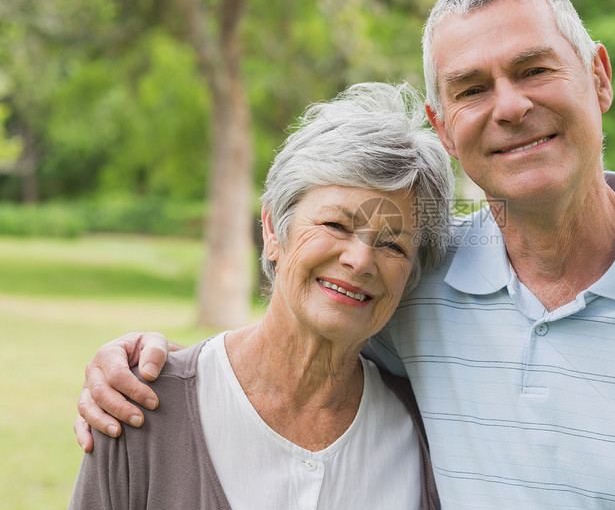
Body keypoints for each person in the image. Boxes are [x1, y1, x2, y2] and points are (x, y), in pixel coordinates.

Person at [75, 0, 615, 509]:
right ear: (443, 129)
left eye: (535, 70)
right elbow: (304, 327)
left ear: (600, 77)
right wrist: (144, 365)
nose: (510, 106)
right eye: (473, 89)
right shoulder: (418, 280)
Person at [69, 82, 450, 509]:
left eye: (393, 245)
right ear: (272, 229)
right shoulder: (138, 407)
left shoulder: (425, 431)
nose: (360, 260)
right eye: (336, 225)